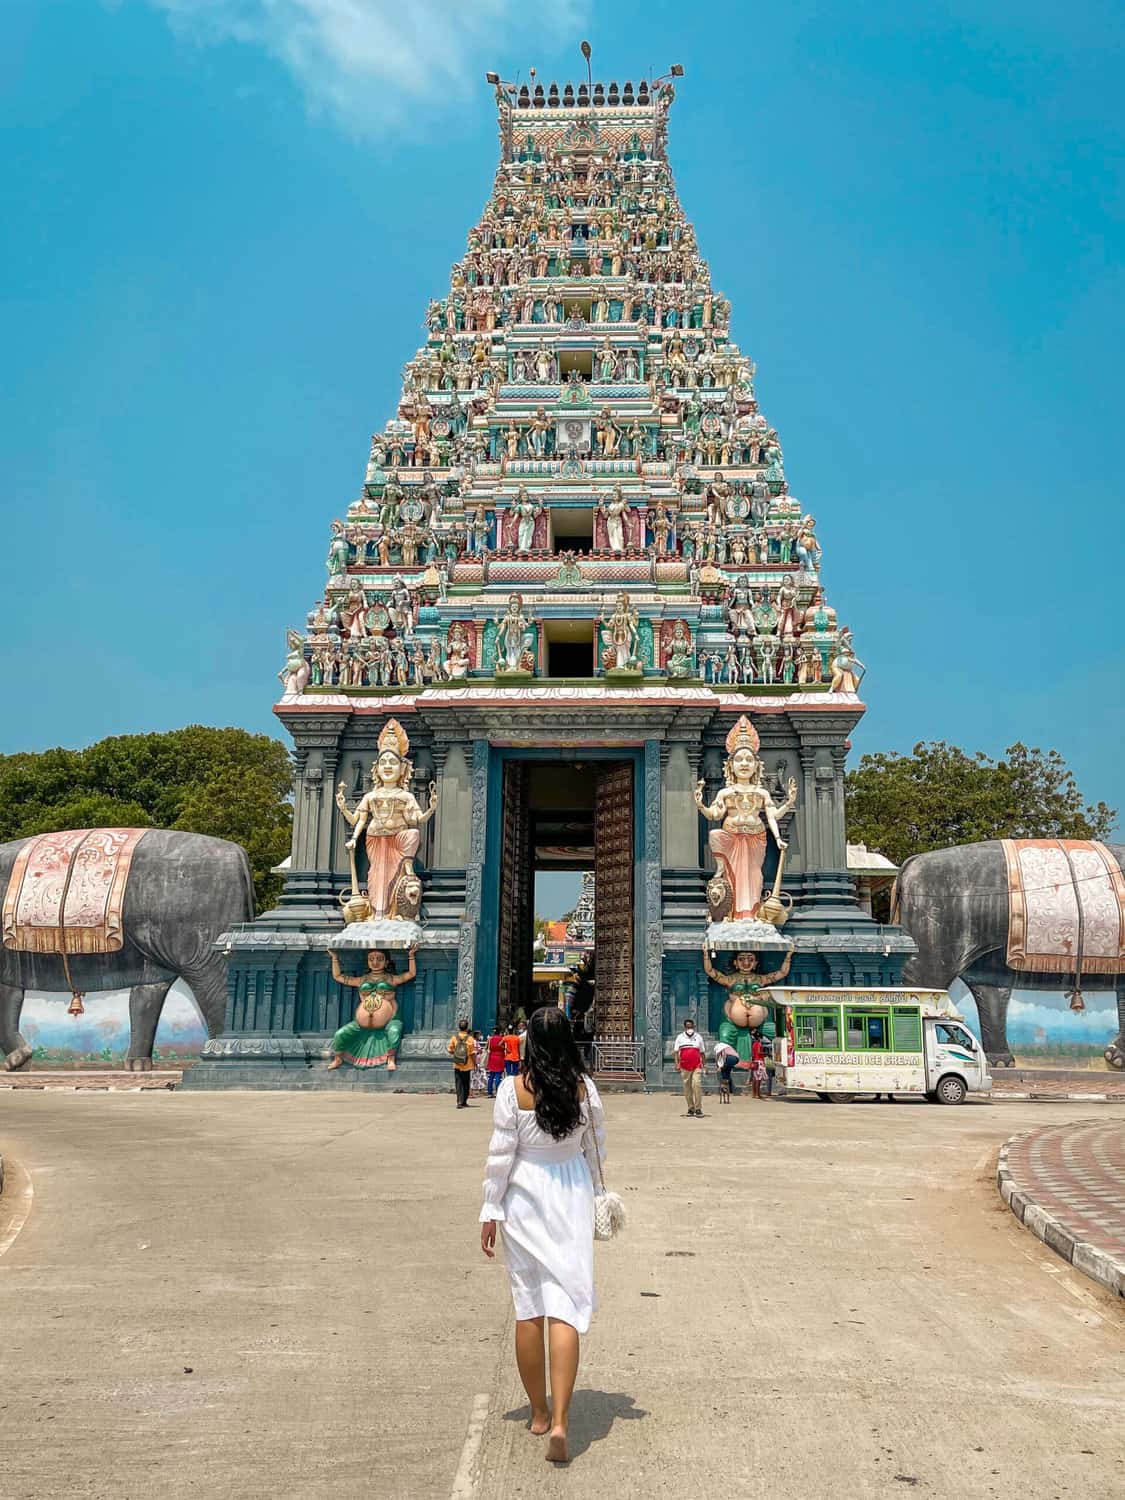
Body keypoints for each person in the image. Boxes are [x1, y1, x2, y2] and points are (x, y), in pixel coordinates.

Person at [480, 1007, 606, 1466]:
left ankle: (538, 1412)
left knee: (529, 1306)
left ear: (529, 1042)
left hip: (524, 1198)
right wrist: (598, 1195)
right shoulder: (584, 1088)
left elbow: (500, 1157)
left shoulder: (513, 1090)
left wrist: (490, 1209)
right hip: (570, 1193)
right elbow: (596, 1149)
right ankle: (562, 1423)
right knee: (566, 1306)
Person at [674, 1017, 706, 1117]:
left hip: (697, 1065)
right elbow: (676, 1052)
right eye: (688, 1027)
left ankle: (698, 1108)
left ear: (694, 1027)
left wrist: (704, 1066)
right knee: (687, 1088)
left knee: (697, 1085)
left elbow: (702, 1052)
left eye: (691, 1027)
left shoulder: (698, 1037)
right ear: (685, 1027)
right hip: (684, 1066)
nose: (689, 1029)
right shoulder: (680, 1037)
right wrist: (676, 1063)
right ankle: (691, 1108)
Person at [448, 1018, 477, 1107]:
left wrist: (457, 1054)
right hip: (467, 1064)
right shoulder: (470, 1039)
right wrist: (475, 1063)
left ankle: (459, 1101)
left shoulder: (454, 1037)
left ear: (459, 1027)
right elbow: (472, 1053)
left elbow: (450, 1050)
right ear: (467, 1028)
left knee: (458, 1083)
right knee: (466, 1083)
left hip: (457, 1063)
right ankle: (464, 1101)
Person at [486, 1027, 507, 1097]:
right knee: (498, 1076)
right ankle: (498, 1091)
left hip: (492, 1057)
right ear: (499, 1032)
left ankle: (489, 1092)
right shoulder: (502, 1039)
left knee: (491, 1076)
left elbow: (487, 1048)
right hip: (500, 1057)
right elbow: (504, 1048)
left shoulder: (490, 1039)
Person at [471, 1031, 489, 1096]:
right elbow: (475, 1052)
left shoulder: (476, 1042)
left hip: (478, 1061)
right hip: (476, 1061)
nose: (480, 1036)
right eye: (479, 1035)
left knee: (479, 1076)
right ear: (476, 1035)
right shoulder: (474, 1042)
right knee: (478, 1076)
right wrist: (480, 1051)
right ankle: (473, 1091)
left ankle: (481, 1090)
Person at [750, 1032, 767, 1100]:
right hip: (759, 1062)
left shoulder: (754, 1044)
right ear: (759, 1037)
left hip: (755, 1061)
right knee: (758, 1079)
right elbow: (759, 1052)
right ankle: (758, 1094)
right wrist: (765, 1053)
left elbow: (753, 1054)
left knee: (755, 1078)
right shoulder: (759, 1043)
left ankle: (754, 1093)